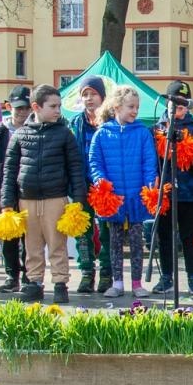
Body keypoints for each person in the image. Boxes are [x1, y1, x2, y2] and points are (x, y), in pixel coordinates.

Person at [3, 84, 87, 304]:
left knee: (57, 244)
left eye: (59, 106)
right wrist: (7, 203)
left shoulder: (64, 134)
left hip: (55, 198)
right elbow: (10, 171)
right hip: (26, 199)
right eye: (53, 106)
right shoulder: (20, 135)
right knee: (32, 246)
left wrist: (78, 200)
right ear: (36, 107)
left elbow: (75, 168)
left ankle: (60, 284)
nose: (58, 110)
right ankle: (34, 283)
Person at [87, 86, 158, 299]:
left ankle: (137, 283)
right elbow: (94, 161)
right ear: (117, 107)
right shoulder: (102, 134)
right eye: (131, 107)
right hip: (113, 197)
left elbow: (149, 161)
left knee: (137, 242)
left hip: (136, 196)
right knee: (115, 241)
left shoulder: (142, 132)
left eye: (137, 107)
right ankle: (117, 282)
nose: (135, 111)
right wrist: (101, 182)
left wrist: (148, 187)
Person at [153, 93, 193, 295]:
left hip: (189, 193)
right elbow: (151, 162)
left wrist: (190, 152)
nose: (180, 106)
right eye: (175, 101)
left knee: (189, 236)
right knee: (164, 236)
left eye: (183, 102)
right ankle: (166, 276)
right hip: (165, 193)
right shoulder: (157, 130)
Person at [67, 75, 112, 294]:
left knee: (105, 231)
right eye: (85, 94)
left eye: (93, 94)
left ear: (102, 97)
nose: (89, 99)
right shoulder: (75, 123)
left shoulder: (111, 122)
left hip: (105, 186)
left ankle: (106, 273)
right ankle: (86, 273)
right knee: (83, 232)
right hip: (81, 184)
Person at [0, 87, 32, 293]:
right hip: (6, 190)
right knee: (8, 236)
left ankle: (27, 274)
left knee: (28, 237)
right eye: (18, 108)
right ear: (9, 107)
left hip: (28, 191)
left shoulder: (36, 128)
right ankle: (11, 275)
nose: (22, 112)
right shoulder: (1, 133)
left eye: (26, 107)